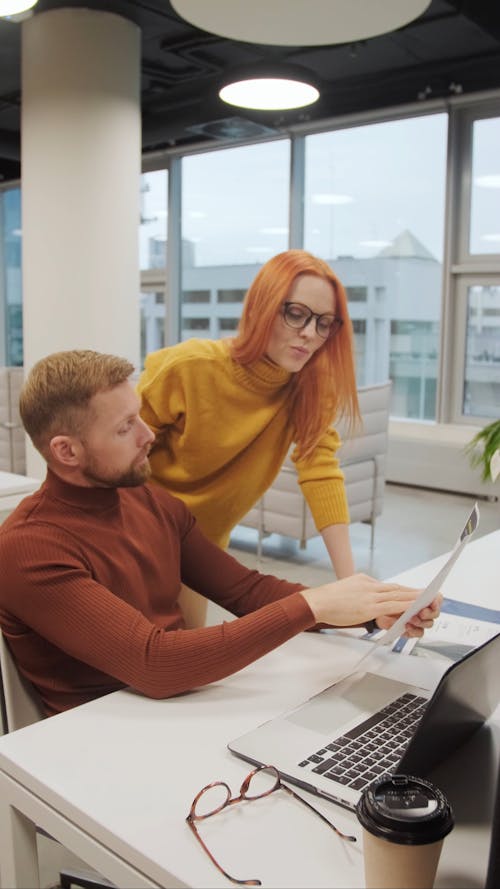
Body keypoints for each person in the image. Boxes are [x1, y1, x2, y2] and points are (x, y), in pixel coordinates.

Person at [0, 350, 440, 717]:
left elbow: (247, 591)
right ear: (66, 451)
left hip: (175, 707)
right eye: (124, 427)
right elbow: (156, 663)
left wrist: (366, 610)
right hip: (96, 737)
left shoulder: (150, 502)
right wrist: (312, 605)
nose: (148, 434)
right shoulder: (28, 548)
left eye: (138, 417)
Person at [137, 249, 360, 584]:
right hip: (135, 538)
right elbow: (117, 461)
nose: (310, 333)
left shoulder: (311, 387)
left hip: (204, 551)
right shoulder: (188, 367)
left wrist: (349, 582)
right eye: (296, 314)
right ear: (262, 307)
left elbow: (321, 470)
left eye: (324, 323)